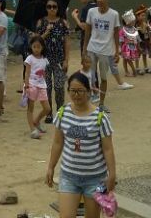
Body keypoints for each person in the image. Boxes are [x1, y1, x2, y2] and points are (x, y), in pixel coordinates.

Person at [46, 71, 117, 218]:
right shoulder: (62, 113)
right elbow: (58, 142)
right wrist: (51, 167)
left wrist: (112, 175)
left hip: (96, 179)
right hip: (68, 177)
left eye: (80, 91)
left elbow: (108, 149)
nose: (76, 95)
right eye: (73, 91)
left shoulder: (100, 118)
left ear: (89, 92)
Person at [83, 0, 133, 100]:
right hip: (92, 47)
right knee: (90, 73)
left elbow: (116, 32)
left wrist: (117, 50)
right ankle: (93, 94)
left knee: (103, 77)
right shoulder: (91, 12)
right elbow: (87, 30)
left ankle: (101, 101)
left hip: (105, 50)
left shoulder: (114, 14)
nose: (99, 0)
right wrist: (84, 49)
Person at [35, 0, 71, 117]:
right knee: (47, 87)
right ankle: (49, 113)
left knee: (59, 87)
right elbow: (36, 41)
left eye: (54, 7)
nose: (51, 9)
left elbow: (66, 42)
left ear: (57, 8)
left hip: (59, 60)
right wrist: (46, 32)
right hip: (44, 60)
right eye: (49, 6)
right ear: (46, 8)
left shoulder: (63, 23)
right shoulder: (41, 22)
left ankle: (60, 112)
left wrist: (66, 60)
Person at [24, 35, 51, 139]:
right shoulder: (29, 58)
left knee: (47, 108)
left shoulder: (44, 59)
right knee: (30, 108)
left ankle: (36, 121)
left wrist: (44, 75)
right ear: (31, 47)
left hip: (42, 85)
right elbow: (27, 73)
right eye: (34, 46)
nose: (36, 49)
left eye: (38, 47)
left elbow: (45, 73)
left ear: (42, 47)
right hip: (32, 85)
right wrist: (26, 85)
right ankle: (32, 129)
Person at [119, 10, 141, 77]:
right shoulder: (123, 30)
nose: (134, 22)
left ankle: (126, 72)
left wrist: (139, 47)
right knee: (127, 59)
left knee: (126, 59)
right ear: (127, 22)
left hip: (133, 46)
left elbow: (137, 38)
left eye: (134, 21)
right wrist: (120, 48)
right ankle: (133, 70)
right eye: (133, 21)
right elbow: (121, 40)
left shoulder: (134, 29)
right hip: (126, 47)